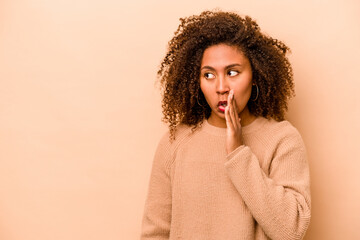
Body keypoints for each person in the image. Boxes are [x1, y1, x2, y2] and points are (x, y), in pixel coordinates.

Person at [140, 10, 311, 240]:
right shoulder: (175, 142)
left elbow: (291, 231)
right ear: (196, 81)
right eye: (209, 75)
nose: (221, 87)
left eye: (232, 72)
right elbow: (155, 233)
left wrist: (239, 153)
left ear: (255, 75)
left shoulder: (282, 139)